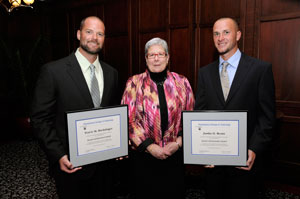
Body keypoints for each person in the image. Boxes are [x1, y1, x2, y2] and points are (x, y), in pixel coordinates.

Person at [30, 16, 118, 199]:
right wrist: (59, 155)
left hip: (105, 166)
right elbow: (40, 119)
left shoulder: (112, 73)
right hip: (71, 165)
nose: (94, 37)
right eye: (89, 31)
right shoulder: (53, 71)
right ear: (78, 34)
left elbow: (113, 114)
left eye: (100, 33)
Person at [194, 17, 276, 199]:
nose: (220, 37)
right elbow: (200, 114)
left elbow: (267, 118)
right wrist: (201, 151)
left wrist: (254, 149)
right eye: (216, 33)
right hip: (213, 164)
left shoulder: (260, 69)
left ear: (238, 35)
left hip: (246, 164)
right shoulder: (205, 73)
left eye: (226, 32)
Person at [121, 37, 195, 199]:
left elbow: (191, 118)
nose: (156, 59)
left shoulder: (182, 82)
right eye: (151, 55)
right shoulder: (134, 83)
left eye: (160, 54)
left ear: (168, 57)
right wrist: (150, 147)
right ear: (146, 59)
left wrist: (178, 143)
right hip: (144, 157)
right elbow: (129, 121)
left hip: (174, 155)